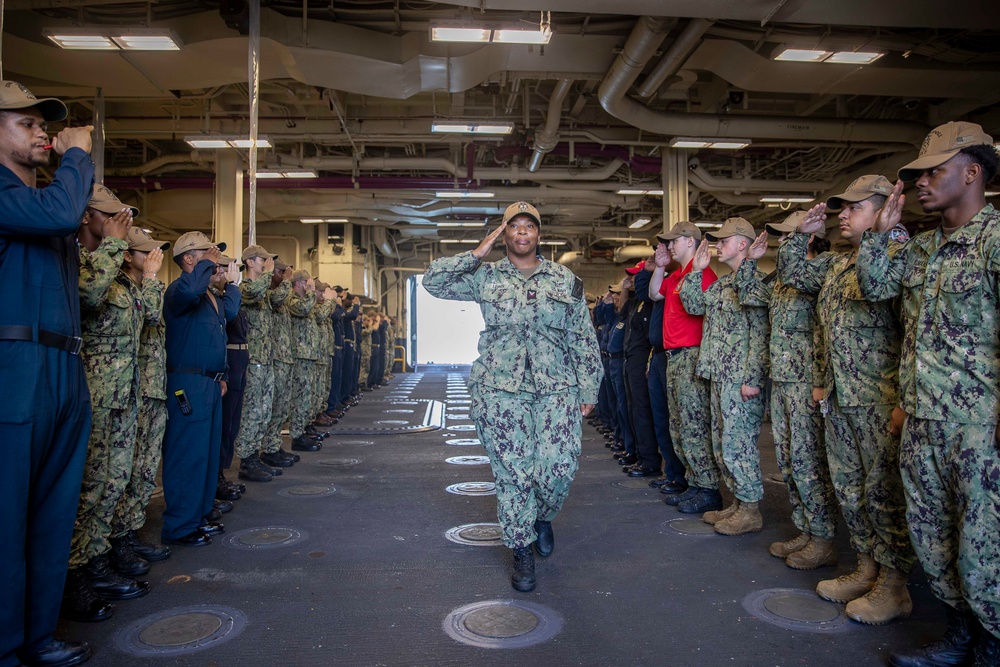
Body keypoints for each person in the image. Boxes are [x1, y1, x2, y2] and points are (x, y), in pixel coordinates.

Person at [854, 122, 1000, 665]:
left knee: (984, 544)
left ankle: (993, 643)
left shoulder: (994, 240)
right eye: (917, 173)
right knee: (932, 535)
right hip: (922, 419)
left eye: (934, 170)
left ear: (972, 172)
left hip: (978, 424)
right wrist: (882, 234)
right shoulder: (920, 249)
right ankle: (959, 632)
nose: (920, 182)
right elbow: (876, 289)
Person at [423, 201, 603, 593]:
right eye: (514, 227)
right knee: (513, 474)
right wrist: (477, 252)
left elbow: (582, 337)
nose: (522, 233)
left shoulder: (563, 279)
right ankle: (521, 548)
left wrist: (589, 387)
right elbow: (433, 282)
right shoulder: (485, 277)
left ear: (539, 234)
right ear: (505, 234)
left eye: (529, 227)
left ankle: (542, 517)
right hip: (499, 390)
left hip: (557, 387)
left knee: (559, 468)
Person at [781, 175, 915, 626]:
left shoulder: (900, 257)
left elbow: (909, 331)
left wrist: (906, 400)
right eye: (843, 207)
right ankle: (866, 567)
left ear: (882, 212)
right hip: (840, 395)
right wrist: (801, 238)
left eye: (854, 207)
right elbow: (796, 277)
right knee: (851, 489)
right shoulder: (838, 264)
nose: (843, 213)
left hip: (880, 398)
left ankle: (894, 584)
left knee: (883, 493)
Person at [0, 80, 95, 667]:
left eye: (45, 124)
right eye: (25, 122)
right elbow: (61, 209)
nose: (42, 132)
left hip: (63, 362)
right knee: (8, 517)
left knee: (53, 513)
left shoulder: (41, 207)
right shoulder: (18, 199)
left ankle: (36, 634)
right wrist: (78, 155)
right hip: (15, 366)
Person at [65, 185, 149, 622]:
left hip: (125, 392)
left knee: (114, 482)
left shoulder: (114, 267)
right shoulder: (79, 260)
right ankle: (74, 572)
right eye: (110, 216)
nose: (120, 223)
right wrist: (116, 243)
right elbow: (86, 297)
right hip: (96, 393)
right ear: (86, 217)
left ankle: (99, 559)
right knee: (89, 486)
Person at [736, 211, 838, 569]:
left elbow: (801, 278)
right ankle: (807, 529)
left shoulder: (825, 266)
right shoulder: (783, 277)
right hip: (781, 379)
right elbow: (750, 295)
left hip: (806, 380)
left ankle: (823, 537)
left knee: (809, 461)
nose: (783, 241)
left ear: (810, 237)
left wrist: (820, 381)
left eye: (790, 235)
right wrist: (749, 263)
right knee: (789, 460)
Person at [678, 218, 770, 536]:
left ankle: (750, 509)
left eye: (724, 240)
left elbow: (760, 334)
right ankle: (736, 503)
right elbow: (691, 304)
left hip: (740, 378)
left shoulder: (754, 283)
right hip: (719, 376)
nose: (717, 244)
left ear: (742, 244)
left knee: (738, 445)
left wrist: (754, 378)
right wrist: (695, 270)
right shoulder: (720, 285)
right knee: (721, 444)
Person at [161, 232, 241, 546]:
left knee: (206, 453)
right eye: (206, 254)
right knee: (187, 454)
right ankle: (180, 525)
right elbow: (192, 287)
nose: (215, 261)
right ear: (189, 258)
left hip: (209, 382)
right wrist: (207, 266)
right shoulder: (181, 289)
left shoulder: (209, 297)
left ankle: (199, 515)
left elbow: (230, 314)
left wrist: (232, 285)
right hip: (187, 383)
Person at [649, 222, 722, 512]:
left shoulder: (701, 274)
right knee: (679, 425)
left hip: (691, 355)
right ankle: (694, 484)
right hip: (674, 358)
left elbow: (699, 309)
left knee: (694, 426)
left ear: (690, 242)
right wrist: (659, 266)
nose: (669, 246)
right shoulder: (678, 274)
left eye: (673, 241)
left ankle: (708, 490)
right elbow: (655, 294)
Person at [116, 227, 172, 565]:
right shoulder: (125, 288)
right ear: (127, 256)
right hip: (128, 391)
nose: (154, 258)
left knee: (145, 469)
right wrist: (151, 277)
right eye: (145, 253)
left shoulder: (144, 288)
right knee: (121, 472)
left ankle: (131, 531)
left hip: (152, 388)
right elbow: (149, 315)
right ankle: (114, 542)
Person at [287, 270, 322, 452]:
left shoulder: (307, 300)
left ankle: (303, 430)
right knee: (300, 397)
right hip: (299, 356)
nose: (312, 285)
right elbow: (304, 309)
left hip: (308, 355)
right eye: (308, 281)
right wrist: (310, 293)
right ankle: (297, 435)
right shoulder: (293, 300)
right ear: (300, 283)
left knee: (307, 397)